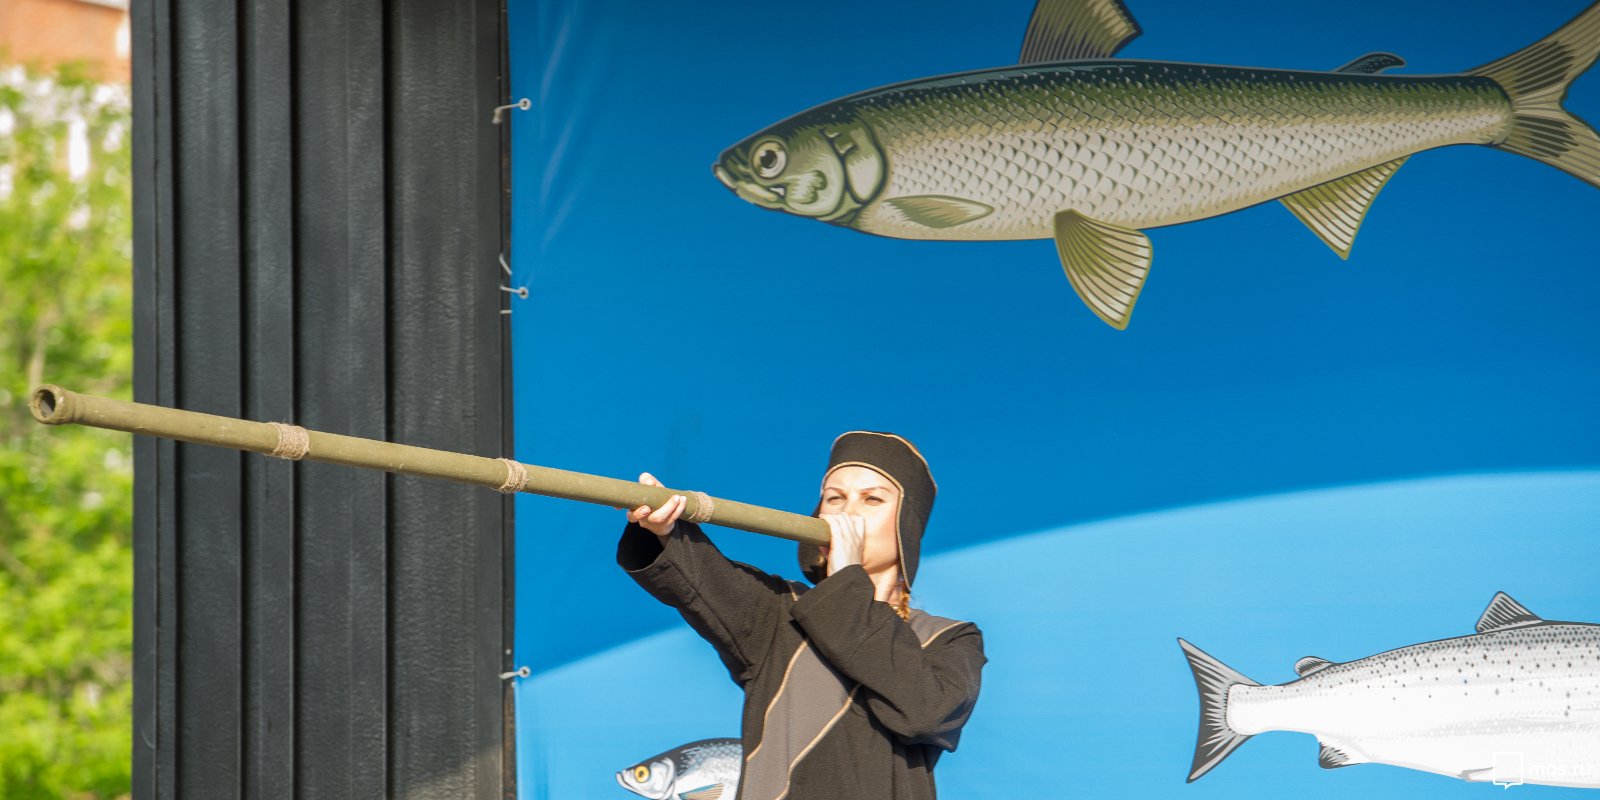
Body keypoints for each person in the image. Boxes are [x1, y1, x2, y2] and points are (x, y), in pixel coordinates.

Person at [617, 431, 985, 800]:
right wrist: (664, 529)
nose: (847, 513)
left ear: (906, 525)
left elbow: (926, 714)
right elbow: (702, 577)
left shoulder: (947, 639)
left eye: (872, 499)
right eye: (834, 498)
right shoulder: (782, 613)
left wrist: (847, 581)